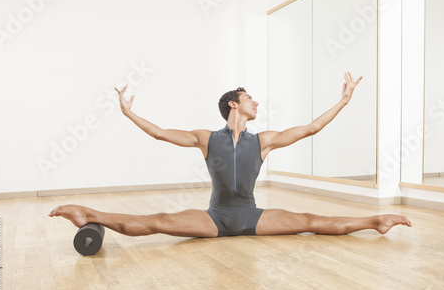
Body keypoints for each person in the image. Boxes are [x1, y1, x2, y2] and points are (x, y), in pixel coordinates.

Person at [49, 72, 411, 238]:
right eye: (250, 97)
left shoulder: (263, 141)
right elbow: (159, 133)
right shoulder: (206, 138)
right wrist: (128, 112)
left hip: (253, 217)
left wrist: (343, 101)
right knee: (157, 220)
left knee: (311, 219)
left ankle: (373, 221)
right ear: (234, 104)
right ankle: (88, 214)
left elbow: (311, 128)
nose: (256, 102)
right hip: (216, 218)